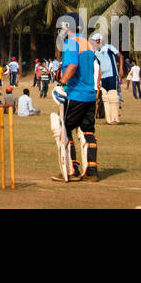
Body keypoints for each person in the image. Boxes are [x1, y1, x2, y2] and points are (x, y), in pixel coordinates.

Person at [57, 25, 99, 181]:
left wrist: (61, 83)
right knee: (88, 131)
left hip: (76, 94)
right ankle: (92, 171)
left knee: (65, 130)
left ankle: (71, 169)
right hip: (90, 94)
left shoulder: (71, 43)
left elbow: (73, 66)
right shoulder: (87, 43)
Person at [91, 32, 122, 124]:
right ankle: (108, 119)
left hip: (112, 75)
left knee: (113, 97)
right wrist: (98, 80)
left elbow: (120, 56)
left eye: (95, 40)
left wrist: (120, 70)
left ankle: (115, 119)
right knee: (105, 98)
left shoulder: (109, 47)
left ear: (100, 40)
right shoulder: (96, 52)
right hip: (103, 77)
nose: (94, 43)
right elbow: (100, 66)